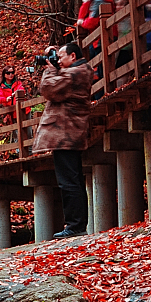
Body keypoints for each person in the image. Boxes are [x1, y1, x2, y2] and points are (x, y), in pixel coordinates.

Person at [33, 44, 93, 239]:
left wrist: (50, 69)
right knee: (71, 179)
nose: (57, 61)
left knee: (69, 181)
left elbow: (49, 89)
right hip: (68, 133)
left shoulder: (76, 73)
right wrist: (56, 57)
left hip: (66, 134)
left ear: (73, 56)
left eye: (61, 56)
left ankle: (75, 225)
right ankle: (76, 224)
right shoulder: (77, 71)